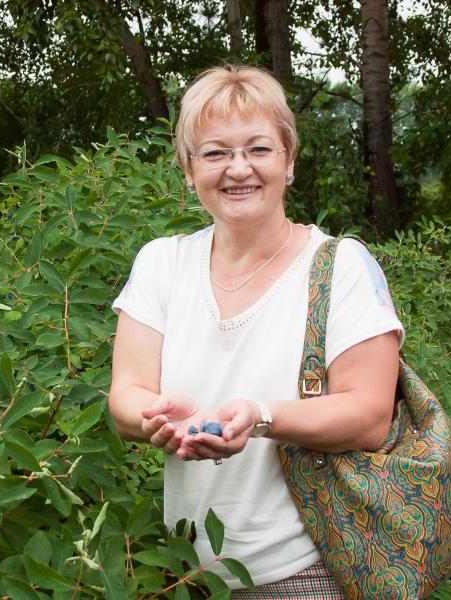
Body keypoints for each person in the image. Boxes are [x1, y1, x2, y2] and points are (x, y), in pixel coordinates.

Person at [108, 65, 404, 598]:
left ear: (289, 160)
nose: (237, 168)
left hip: (307, 571)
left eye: (259, 149)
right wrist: (155, 417)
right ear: (188, 167)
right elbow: (126, 394)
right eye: (216, 152)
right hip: (185, 572)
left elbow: (370, 416)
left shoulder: (341, 267)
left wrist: (263, 418)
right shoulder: (160, 264)